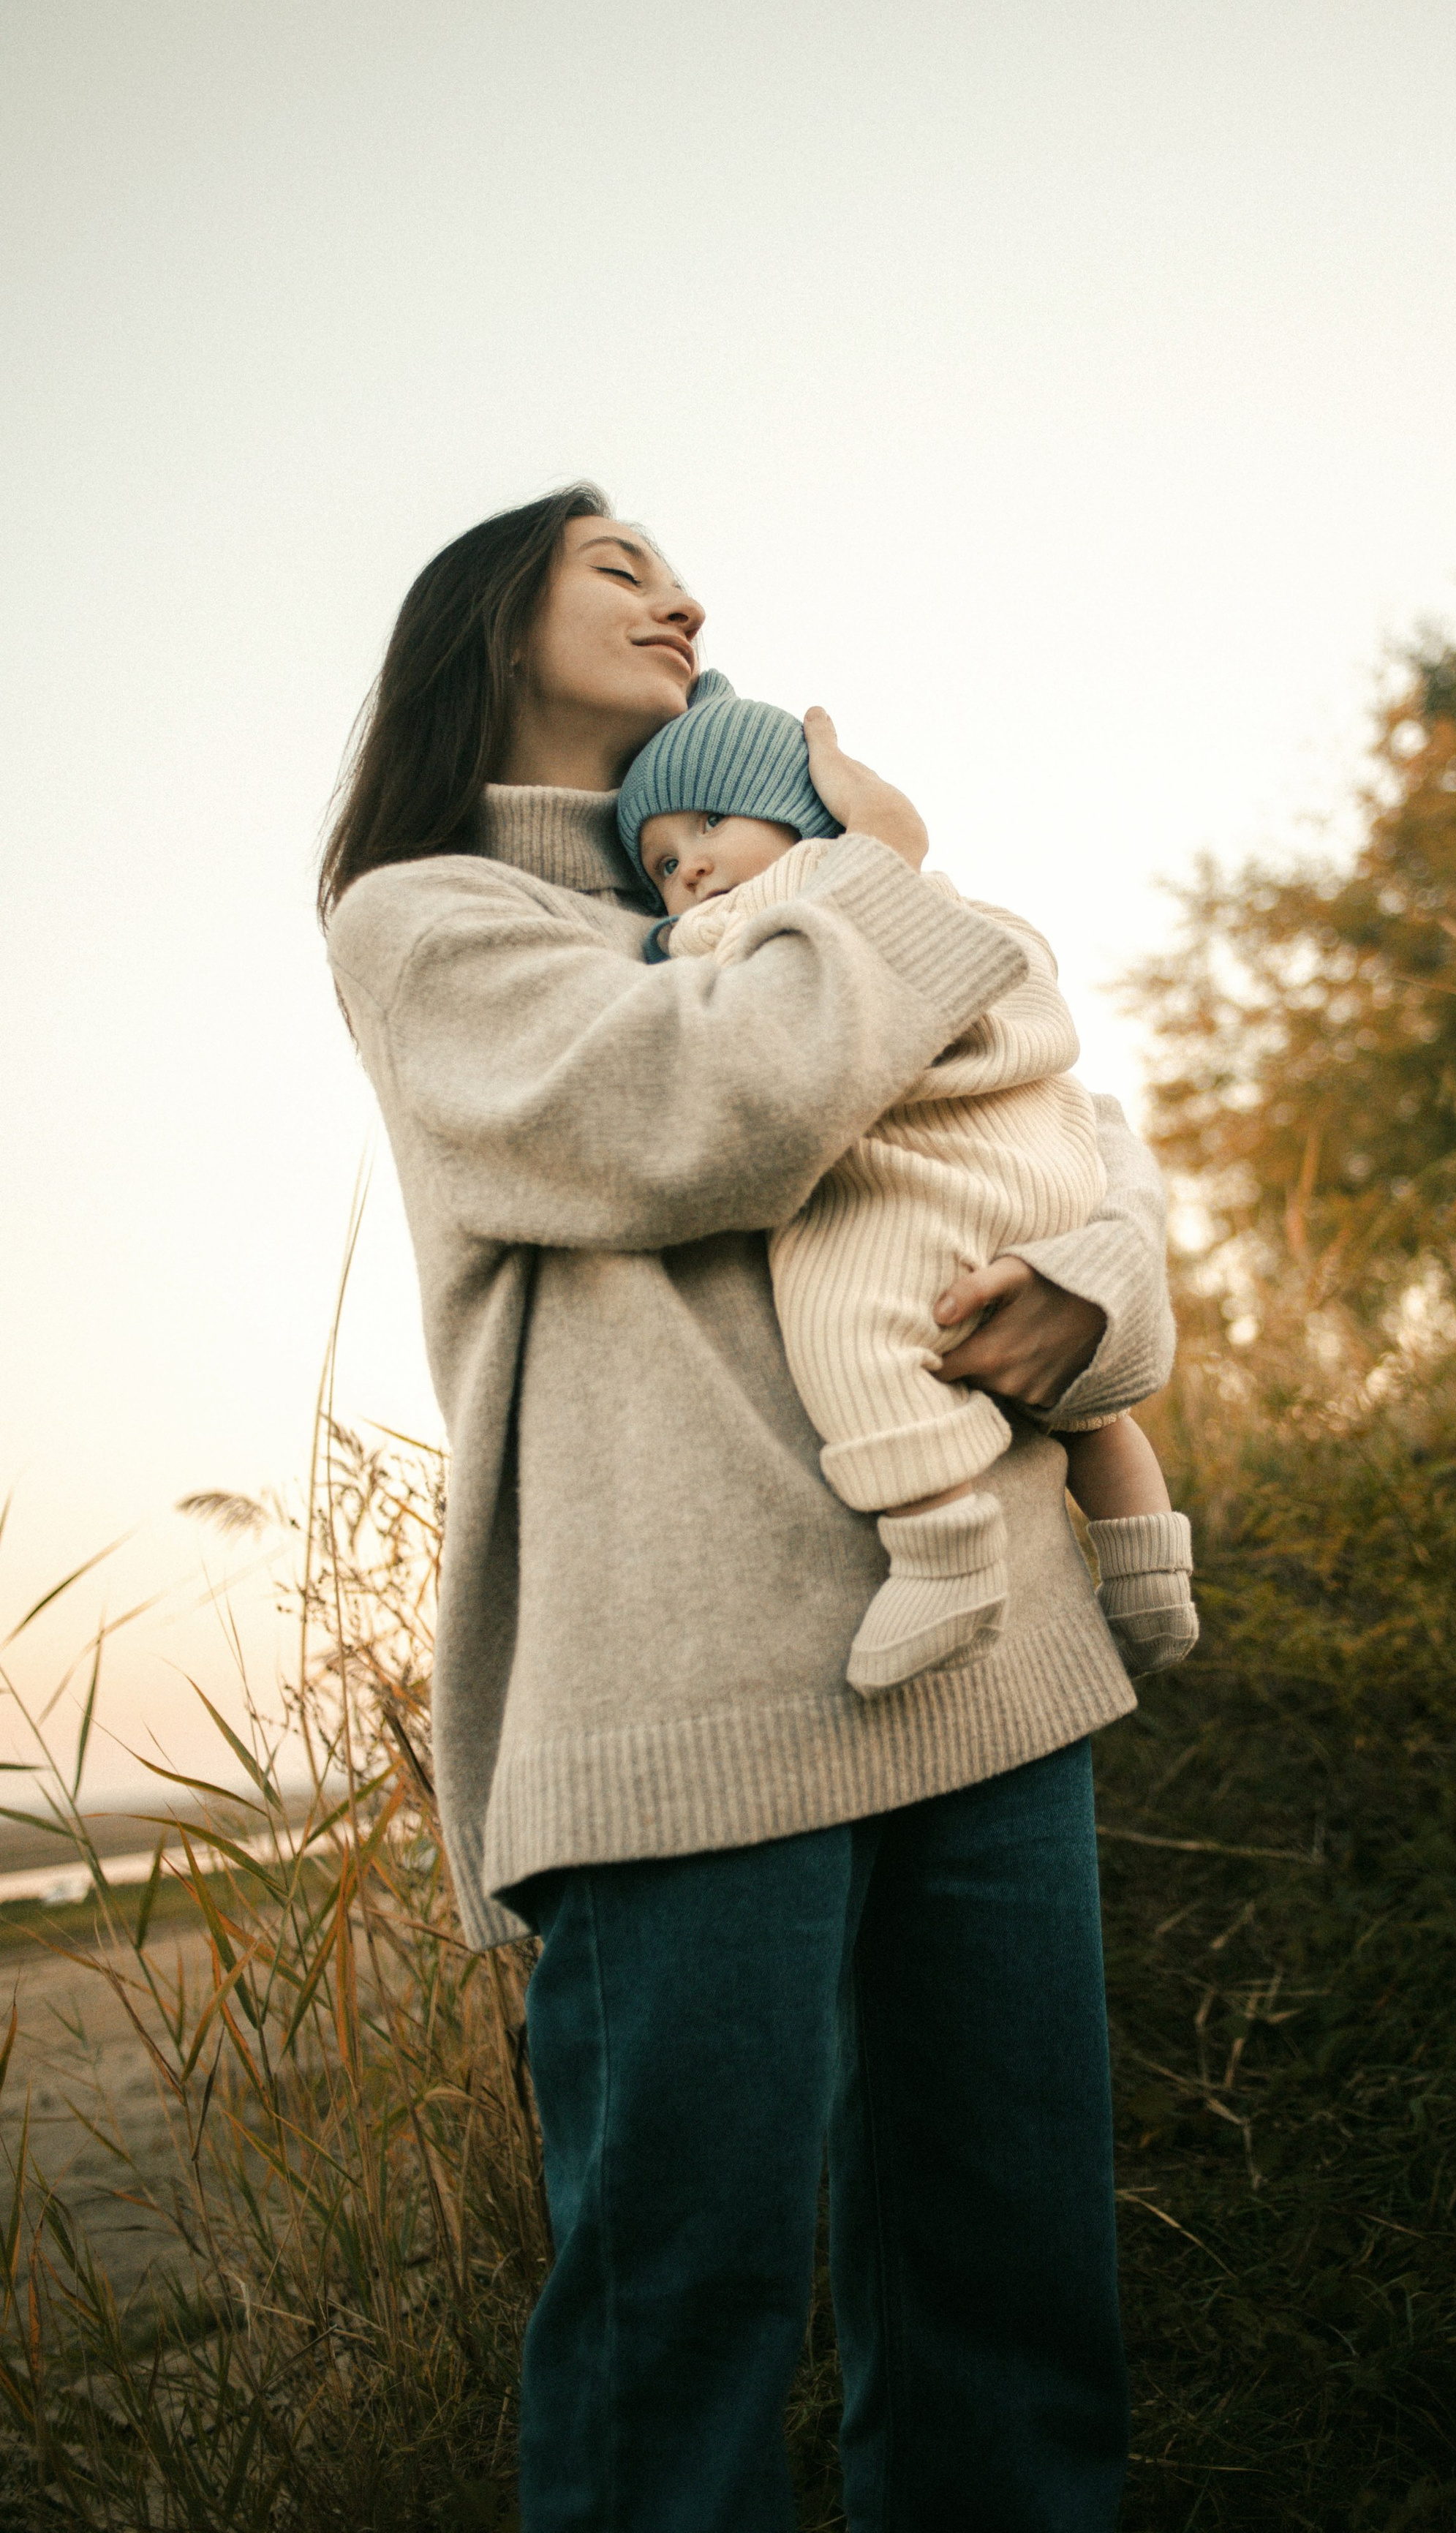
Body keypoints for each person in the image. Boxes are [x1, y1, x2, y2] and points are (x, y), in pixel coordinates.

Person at [319, 487, 1191, 2533]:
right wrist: (882, 866)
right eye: (618, 564)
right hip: (683, 1711)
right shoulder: (433, 924)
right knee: (675, 2351)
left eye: (678, 570)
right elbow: (711, 1111)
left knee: (1012, 2310)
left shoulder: (802, 887)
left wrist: (1102, 1290)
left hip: (989, 1659)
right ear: (487, 623)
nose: (682, 594)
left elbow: (1063, 1120)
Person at [616, 671, 1196, 1695]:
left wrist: (662, 939)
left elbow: (730, 979)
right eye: (662, 863)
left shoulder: (803, 887)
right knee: (1086, 1413)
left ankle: (945, 1555)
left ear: (797, 812)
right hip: (1051, 1158)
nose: (692, 865)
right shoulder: (936, 890)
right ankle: (1152, 1569)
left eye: (710, 823)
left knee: (852, 1324)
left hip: (936, 1165)